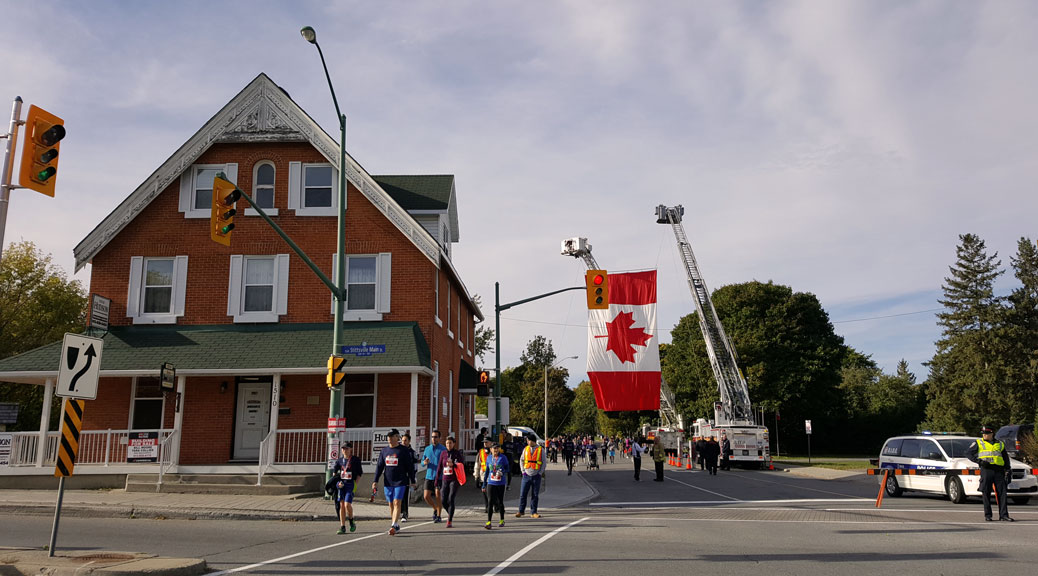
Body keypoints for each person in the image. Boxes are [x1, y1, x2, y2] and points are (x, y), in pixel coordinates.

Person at [371, 429, 416, 535]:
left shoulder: (403, 450)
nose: (390, 439)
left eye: (392, 436)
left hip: (400, 481)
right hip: (388, 482)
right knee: (391, 504)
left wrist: (413, 480)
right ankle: (395, 524)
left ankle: (394, 524)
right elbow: (379, 467)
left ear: (397, 437)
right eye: (388, 436)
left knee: (397, 502)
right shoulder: (384, 451)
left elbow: (410, 467)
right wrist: (375, 480)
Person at [967, 425, 1014, 522]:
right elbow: (968, 454)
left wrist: (1008, 469)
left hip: (999, 470)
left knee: (1002, 493)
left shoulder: (1000, 444)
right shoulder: (978, 443)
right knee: (986, 492)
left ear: (992, 433)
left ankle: (1003, 515)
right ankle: (988, 515)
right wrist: (979, 461)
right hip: (986, 470)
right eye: (983, 433)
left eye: (987, 433)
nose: (984, 435)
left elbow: (1005, 457)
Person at [332, 443, 363, 533]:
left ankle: (351, 520)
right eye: (343, 449)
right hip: (341, 485)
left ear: (350, 449)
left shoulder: (355, 460)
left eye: (346, 448)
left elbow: (359, 473)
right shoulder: (339, 460)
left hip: (350, 484)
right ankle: (342, 526)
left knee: (347, 504)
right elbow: (334, 474)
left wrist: (355, 485)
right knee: (341, 505)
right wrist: (337, 483)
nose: (344, 450)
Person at [435, 436, 465, 528]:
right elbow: (439, 467)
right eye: (447, 443)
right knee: (443, 500)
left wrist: (454, 464)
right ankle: (450, 513)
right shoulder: (443, 453)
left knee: (451, 498)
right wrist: (436, 480)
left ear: (454, 444)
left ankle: (449, 520)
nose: (448, 445)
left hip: (454, 479)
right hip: (445, 479)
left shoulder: (457, 453)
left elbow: (462, 464)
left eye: (450, 443)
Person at [482, 442, 511, 529]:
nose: (496, 450)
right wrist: (484, 484)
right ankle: (489, 522)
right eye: (494, 448)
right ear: (491, 449)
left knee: (500, 502)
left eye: (497, 448)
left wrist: (503, 472)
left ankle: (502, 519)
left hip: (500, 483)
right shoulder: (489, 458)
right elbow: (487, 471)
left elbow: (508, 469)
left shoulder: (503, 458)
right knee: (490, 502)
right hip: (491, 482)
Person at [516, 435, 544, 518]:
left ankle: (533, 512)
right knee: (522, 494)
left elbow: (544, 462)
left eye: (528, 440)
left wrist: (540, 473)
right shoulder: (526, 449)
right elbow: (521, 460)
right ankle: (521, 511)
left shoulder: (540, 449)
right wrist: (523, 471)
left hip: (536, 475)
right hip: (526, 475)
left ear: (533, 441)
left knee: (535, 495)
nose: (528, 442)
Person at [421, 429, 446, 523]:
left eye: (436, 437)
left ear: (439, 438)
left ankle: (439, 515)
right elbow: (423, 463)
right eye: (432, 437)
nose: (434, 439)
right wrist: (424, 462)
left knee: (437, 495)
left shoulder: (443, 449)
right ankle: (435, 508)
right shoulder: (427, 449)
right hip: (429, 476)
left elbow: (446, 462)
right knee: (426, 496)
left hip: (439, 477)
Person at [400, 433, 419, 522]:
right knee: (398, 495)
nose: (403, 442)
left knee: (405, 495)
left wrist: (413, 478)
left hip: (408, 477)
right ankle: (399, 511)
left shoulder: (412, 453)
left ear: (409, 441)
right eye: (402, 440)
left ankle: (405, 513)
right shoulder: (398, 451)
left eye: (405, 440)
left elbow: (415, 466)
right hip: (399, 477)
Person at [475, 437, 493, 510]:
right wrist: (476, 476)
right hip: (483, 475)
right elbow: (477, 465)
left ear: (491, 443)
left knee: (492, 493)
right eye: (484, 442)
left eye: (486, 442)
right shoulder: (481, 452)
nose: (485, 444)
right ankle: (487, 506)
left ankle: (495, 505)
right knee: (484, 492)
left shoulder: (494, 451)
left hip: (493, 476)